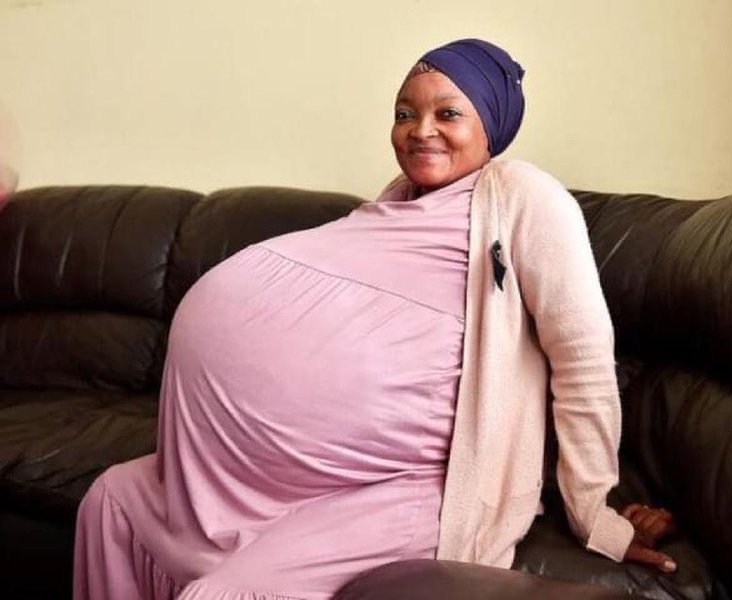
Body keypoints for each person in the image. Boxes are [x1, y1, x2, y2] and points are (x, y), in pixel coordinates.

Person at [73, 39, 676, 600]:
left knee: (227, 592)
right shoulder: (395, 201)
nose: (421, 130)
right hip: (289, 474)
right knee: (113, 499)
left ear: (491, 124)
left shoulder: (523, 195)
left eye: (447, 113)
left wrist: (595, 514)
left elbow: (582, 358)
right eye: (404, 114)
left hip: (416, 484)